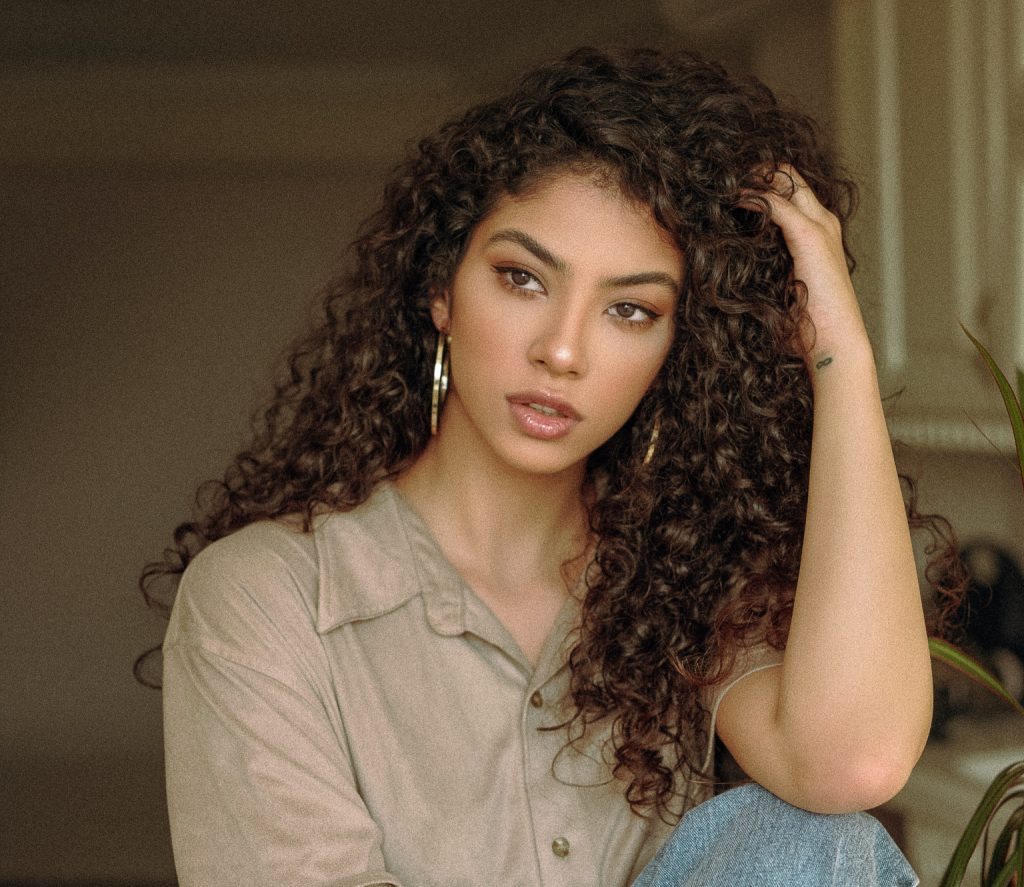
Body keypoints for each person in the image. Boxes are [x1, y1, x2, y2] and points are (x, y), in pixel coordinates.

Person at [141, 46, 960, 886]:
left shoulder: (682, 578)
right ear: (442, 289)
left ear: (679, 350)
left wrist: (839, 355)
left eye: (630, 309)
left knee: (808, 839)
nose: (562, 350)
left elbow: (852, 763)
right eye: (522, 278)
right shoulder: (268, 599)